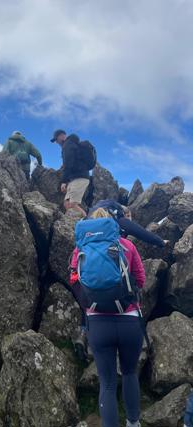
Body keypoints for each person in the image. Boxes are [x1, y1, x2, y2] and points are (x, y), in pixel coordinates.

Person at [70, 208, 145, 427]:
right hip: (129, 319)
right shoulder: (127, 246)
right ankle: (133, 423)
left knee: (108, 383)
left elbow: (74, 280)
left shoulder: (80, 249)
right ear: (112, 225)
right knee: (130, 373)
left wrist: (90, 303)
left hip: (98, 323)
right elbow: (140, 279)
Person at [73, 199, 166, 363]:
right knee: (129, 373)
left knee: (89, 283)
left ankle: (83, 331)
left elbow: (75, 275)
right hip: (125, 311)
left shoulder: (83, 241)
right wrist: (160, 242)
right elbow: (140, 277)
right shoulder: (121, 227)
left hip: (94, 314)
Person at [51, 130, 96, 217]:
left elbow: (68, 164)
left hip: (80, 178)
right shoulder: (72, 144)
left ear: (61, 136)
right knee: (67, 204)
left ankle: (88, 223)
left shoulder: (67, 145)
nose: (56, 142)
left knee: (72, 205)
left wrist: (64, 181)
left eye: (56, 139)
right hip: (76, 178)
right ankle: (75, 224)